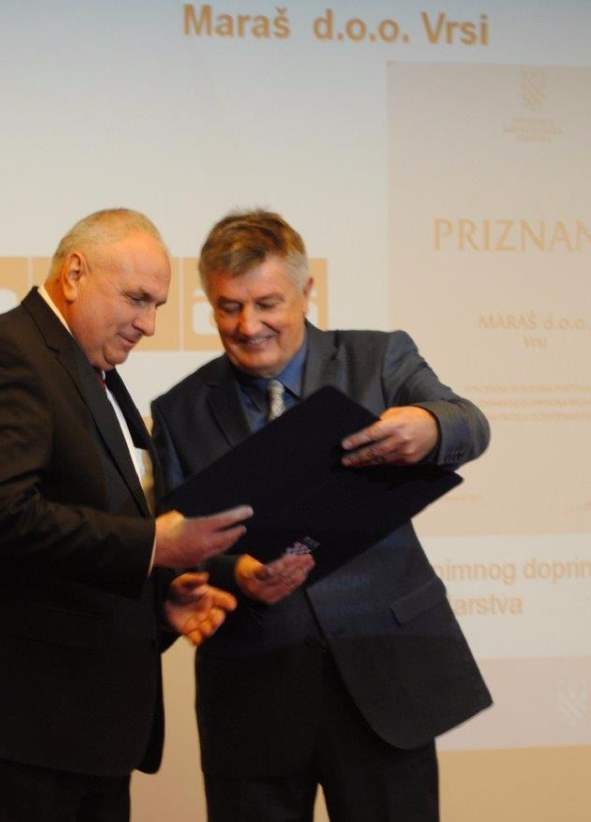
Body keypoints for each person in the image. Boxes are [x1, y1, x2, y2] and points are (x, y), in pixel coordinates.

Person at [0, 208, 252, 821]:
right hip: (13, 731)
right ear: (74, 274)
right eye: (136, 299)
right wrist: (154, 545)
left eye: (157, 306)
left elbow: (83, 532)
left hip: (82, 732)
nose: (148, 324)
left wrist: (157, 606)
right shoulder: (3, 353)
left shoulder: (91, 369)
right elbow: (0, 515)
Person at [151, 209, 493, 821]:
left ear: (307, 291)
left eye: (267, 304)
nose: (248, 325)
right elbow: (173, 549)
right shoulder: (180, 412)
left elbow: (470, 422)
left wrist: (431, 426)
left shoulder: (379, 359)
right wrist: (237, 574)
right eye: (228, 307)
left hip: (385, 684)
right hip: (252, 699)